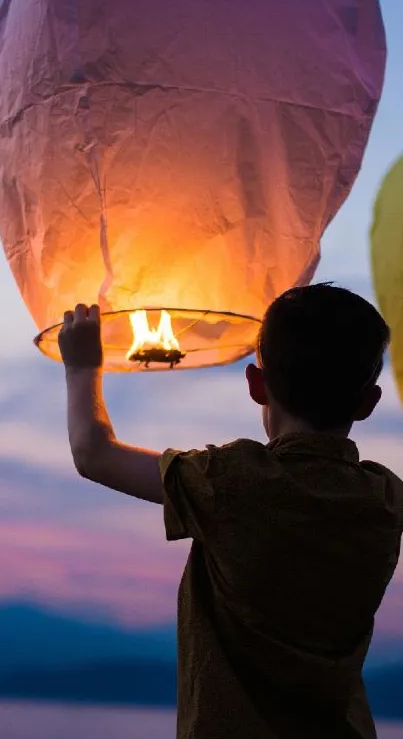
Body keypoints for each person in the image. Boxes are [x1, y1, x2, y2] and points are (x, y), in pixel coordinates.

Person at [58, 283, 403, 739]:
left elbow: (93, 454)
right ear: (368, 403)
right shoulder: (385, 499)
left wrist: (82, 366)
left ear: (257, 385)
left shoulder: (230, 481)